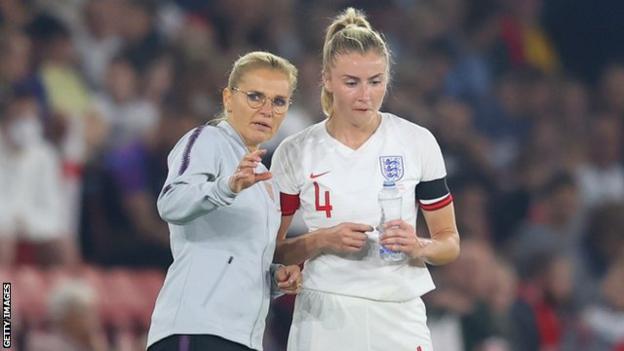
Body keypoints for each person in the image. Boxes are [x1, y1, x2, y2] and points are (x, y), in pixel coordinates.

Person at [270, 8, 460, 351]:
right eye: (351, 82)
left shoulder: (417, 142)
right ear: (327, 78)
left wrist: (419, 245)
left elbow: (449, 242)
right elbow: (272, 247)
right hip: (324, 311)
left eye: (376, 81)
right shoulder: (295, 151)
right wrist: (321, 240)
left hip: (399, 311)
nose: (365, 95)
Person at [146, 51, 303, 351]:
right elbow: (171, 202)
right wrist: (226, 187)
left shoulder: (262, 176)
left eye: (278, 101)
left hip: (243, 336)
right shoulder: (207, 140)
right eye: (255, 96)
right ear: (229, 98)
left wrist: (275, 279)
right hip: (195, 327)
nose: (267, 110)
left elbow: (237, 257)